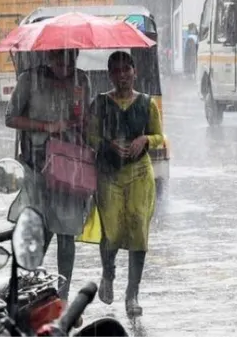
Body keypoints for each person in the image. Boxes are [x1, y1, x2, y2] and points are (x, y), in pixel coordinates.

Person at [5, 48, 92, 301]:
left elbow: (86, 119)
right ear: (49, 58)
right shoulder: (28, 80)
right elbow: (10, 118)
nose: (65, 66)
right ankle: (30, 290)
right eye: (59, 59)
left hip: (69, 167)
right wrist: (47, 126)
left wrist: (78, 115)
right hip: (35, 166)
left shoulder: (81, 80)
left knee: (66, 232)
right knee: (37, 229)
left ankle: (63, 296)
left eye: (70, 60)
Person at [87, 51, 162, 318]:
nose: (122, 76)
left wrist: (145, 141)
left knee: (139, 229)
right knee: (113, 231)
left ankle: (133, 294)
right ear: (109, 75)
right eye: (116, 71)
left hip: (140, 173)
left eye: (126, 70)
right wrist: (107, 145)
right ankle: (108, 273)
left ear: (134, 71)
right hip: (109, 174)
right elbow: (90, 136)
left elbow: (159, 136)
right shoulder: (100, 103)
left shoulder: (146, 103)